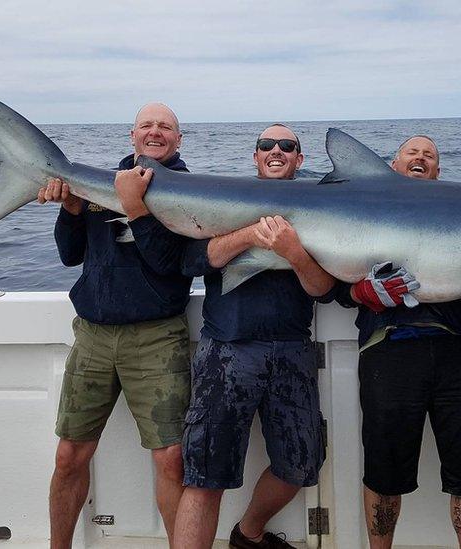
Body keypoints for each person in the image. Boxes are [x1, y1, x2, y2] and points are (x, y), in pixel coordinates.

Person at [333, 135, 461, 549]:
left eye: (429, 155)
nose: (421, 158)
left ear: (438, 172)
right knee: (384, 469)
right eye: (412, 153)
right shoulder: (364, 211)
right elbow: (332, 283)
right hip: (387, 347)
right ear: (393, 166)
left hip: (456, 351)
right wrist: (362, 293)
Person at [172, 124, 336, 549]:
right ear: (256, 156)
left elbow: (322, 288)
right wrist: (250, 233)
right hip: (226, 350)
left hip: (293, 352)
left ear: (300, 159)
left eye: (287, 145)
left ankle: (248, 534)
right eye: (266, 145)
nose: (276, 150)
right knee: (205, 475)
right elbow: (192, 261)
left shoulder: (323, 206)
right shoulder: (226, 201)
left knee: (301, 466)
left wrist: (292, 250)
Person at [37, 103, 192, 548]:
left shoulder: (192, 191)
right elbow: (70, 255)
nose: (155, 132)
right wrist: (69, 208)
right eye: (147, 125)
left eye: (166, 127)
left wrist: (136, 208)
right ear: (132, 136)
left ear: (179, 140)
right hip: (93, 334)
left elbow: (170, 264)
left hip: (157, 337)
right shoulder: (100, 184)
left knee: (171, 458)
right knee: (69, 454)